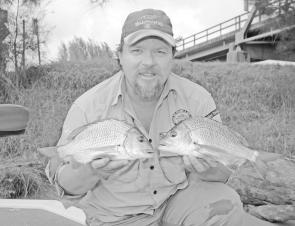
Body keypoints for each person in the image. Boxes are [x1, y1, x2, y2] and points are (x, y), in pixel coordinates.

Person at [46, 8, 275, 226]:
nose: (148, 62)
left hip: (175, 203)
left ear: (172, 57)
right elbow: (66, 184)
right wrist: (89, 171)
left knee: (227, 203)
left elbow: (224, 171)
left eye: (160, 51)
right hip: (115, 218)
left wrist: (209, 169)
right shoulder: (87, 106)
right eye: (137, 50)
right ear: (120, 56)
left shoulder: (197, 98)